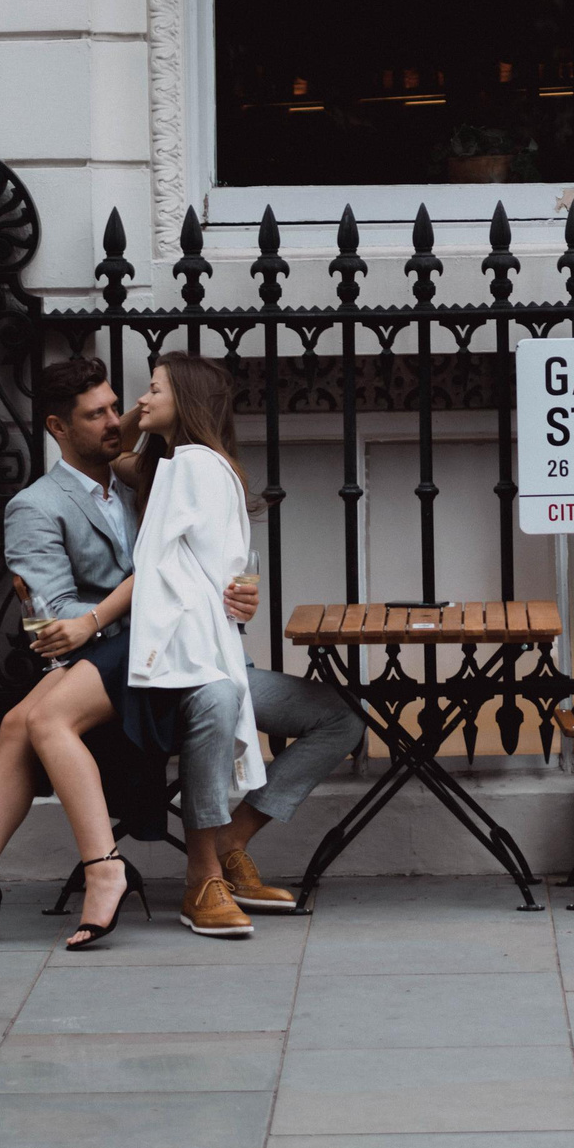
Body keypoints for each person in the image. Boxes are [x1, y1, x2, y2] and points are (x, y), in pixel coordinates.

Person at [115, 353, 361, 939]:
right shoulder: (162, 469)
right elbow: (111, 454)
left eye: (154, 389)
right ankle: (204, 877)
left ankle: (232, 839)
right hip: (165, 664)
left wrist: (240, 598)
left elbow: (215, 572)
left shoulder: (199, 468)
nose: (142, 399)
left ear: (187, 402)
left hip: (219, 651)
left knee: (341, 720)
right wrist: (143, 411)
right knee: (220, 697)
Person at [0, 359, 154, 951]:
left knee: (35, 719)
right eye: (94, 415)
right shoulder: (36, 506)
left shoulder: (141, 480)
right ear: (58, 427)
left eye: (114, 408)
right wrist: (124, 605)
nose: (113, 422)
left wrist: (114, 608)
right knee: (15, 723)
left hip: (152, 647)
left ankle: (97, 869)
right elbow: (59, 616)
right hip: (104, 651)